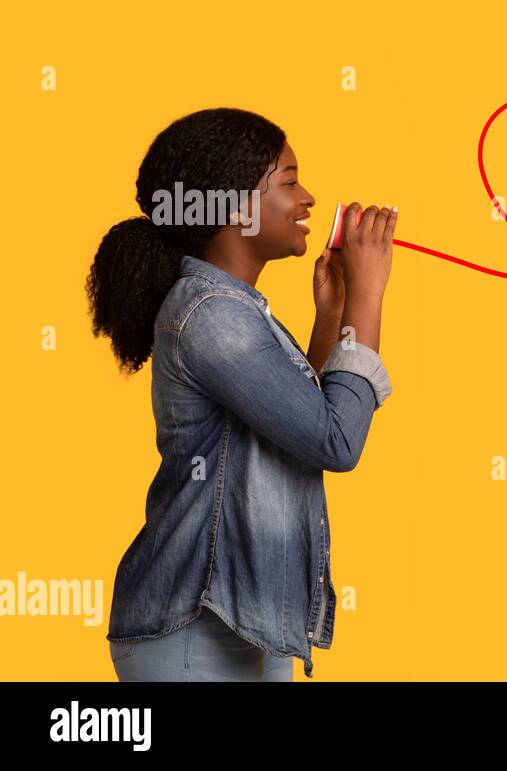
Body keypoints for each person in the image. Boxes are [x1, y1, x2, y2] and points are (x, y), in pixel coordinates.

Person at [86, 107, 397, 680]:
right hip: (193, 632)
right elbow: (336, 441)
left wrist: (331, 314)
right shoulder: (210, 315)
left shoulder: (237, 312)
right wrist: (370, 295)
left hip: (246, 625)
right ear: (236, 206)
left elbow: (302, 423)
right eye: (289, 181)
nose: (307, 198)